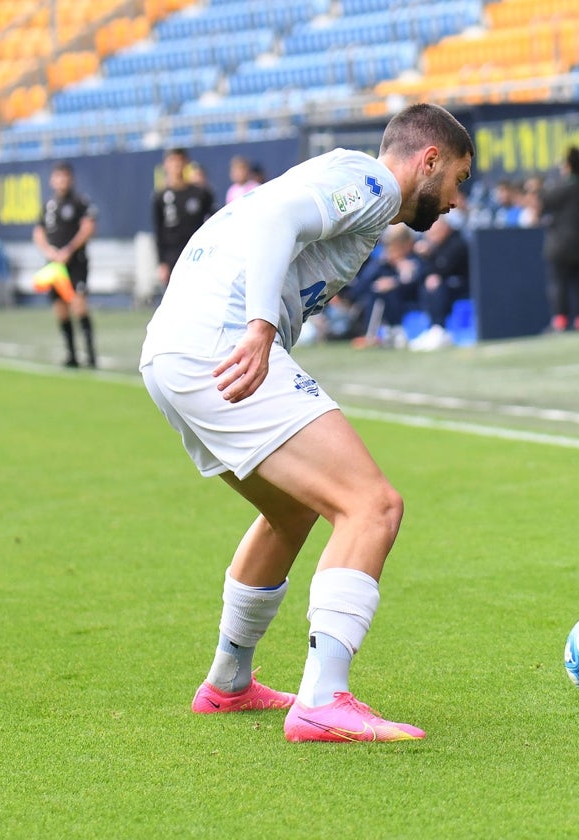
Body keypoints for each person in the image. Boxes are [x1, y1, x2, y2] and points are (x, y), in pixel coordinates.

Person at [138, 103, 474, 743]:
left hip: (173, 351)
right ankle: (323, 699)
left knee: (291, 511)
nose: (455, 200)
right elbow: (272, 218)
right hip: (219, 342)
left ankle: (229, 683)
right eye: (457, 178)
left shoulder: (344, 185)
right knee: (372, 506)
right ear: (428, 160)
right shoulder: (374, 184)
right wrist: (261, 323)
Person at [33, 161, 98, 368]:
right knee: (60, 308)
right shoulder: (48, 206)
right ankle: (71, 354)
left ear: (71, 179)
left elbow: (88, 227)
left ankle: (90, 354)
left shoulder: (80, 202)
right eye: (58, 176)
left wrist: (69, 249)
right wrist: (50, 252)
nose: (62, 180)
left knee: (79, 305)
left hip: (75, 262)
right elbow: (38, 232)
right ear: (53, 180)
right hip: (55, 266)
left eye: (65, 176)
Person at [541, 146, 579, 332]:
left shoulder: (561, 188)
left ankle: (560, 321)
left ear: (569, 166)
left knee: (558, 282)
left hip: (560, 247)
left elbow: (544, 202)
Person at [152, 148, 216, 291]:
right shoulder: (160, 197)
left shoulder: (201, 194)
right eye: (173, 161)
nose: (177, 165)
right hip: (172, 255)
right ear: (166, 165)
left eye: (180, 161)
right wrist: (161, 262)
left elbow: (213, 222)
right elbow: (158, 231)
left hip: (196, 253)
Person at [409, 212, 469, 351]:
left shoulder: (457, 243)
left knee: (436, 286)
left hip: (461, 285)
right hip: (445, 284)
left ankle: (440, 329)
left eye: (434, 231)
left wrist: (429, 254)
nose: (431, 235)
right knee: (426, 286)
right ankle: (433, 327)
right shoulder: (437, 246)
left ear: (445, 228)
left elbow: (444, 268)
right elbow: (424, 272)